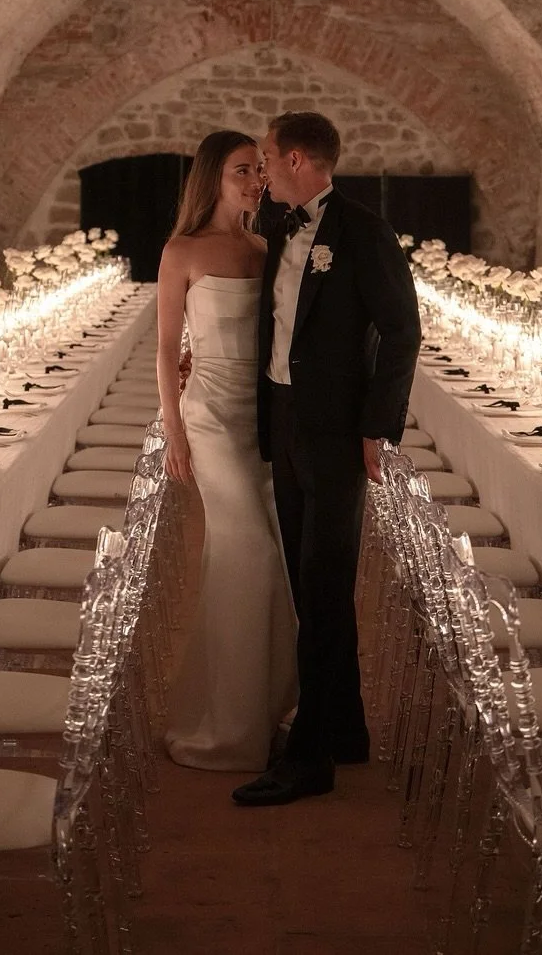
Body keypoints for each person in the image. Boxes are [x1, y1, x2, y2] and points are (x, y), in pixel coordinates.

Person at [232, 111, 421, 807]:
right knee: (310, 584)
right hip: (285, 420)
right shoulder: (279, 224)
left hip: (339, 433)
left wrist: (377, 428)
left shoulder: (362, 231)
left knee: (323, 583)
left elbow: (403, 331)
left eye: (269, 160)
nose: (262, 172)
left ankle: (310, 759)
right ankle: (344, 728)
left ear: (303, 161)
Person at [157, 130, 298, 772]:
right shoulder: (181, 250)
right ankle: (231, 728)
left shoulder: (266, 249)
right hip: (210, 418)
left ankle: (263, 709)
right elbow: (165, 349)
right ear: (214, 176)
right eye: (243, 170)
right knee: (253, 554)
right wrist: (174, 430)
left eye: (259, 173)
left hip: (263, 420)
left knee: (263, 563)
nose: (255, 183)